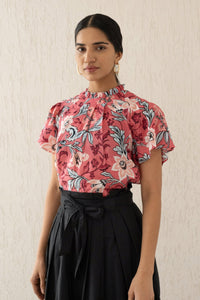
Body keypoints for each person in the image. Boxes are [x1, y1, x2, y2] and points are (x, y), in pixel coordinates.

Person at [30, 13, 175, 300]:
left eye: (100, 47)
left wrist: (144, 272)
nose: (88, 57)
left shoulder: (143, 113)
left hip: (117, 234)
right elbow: (54, 187)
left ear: (118, 52)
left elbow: (152, 195)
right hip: (66, 236)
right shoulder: (62, 112)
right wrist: (40, 254)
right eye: (81, 48)